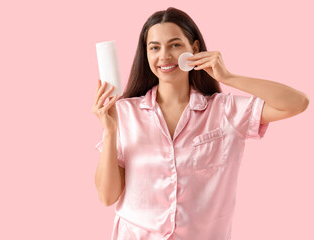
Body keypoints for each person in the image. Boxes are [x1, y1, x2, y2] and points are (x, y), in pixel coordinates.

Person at [91, 7, 309, 240]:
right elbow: (107, 196)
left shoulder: (225, 110)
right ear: (146, 54)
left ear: (194, 49)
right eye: (154, 47)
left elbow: (297, 103)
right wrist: (111, 130)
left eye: (175, 45)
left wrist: (228, 77)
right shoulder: (125, 113)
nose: (164, 56)